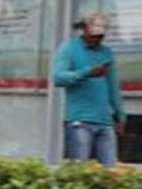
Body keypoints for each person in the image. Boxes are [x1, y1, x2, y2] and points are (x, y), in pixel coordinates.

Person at [53, 12, 126, 165]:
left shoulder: (106, 52)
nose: (97, 39)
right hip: (79, 120)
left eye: (101, 36)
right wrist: (87, 73)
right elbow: (58, 78)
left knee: (110, 172)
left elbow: (113, 86)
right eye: (94, 35)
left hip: (105, 121)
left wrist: (120, 115)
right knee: (80, 170)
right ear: (84, 29)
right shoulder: (69, 48)